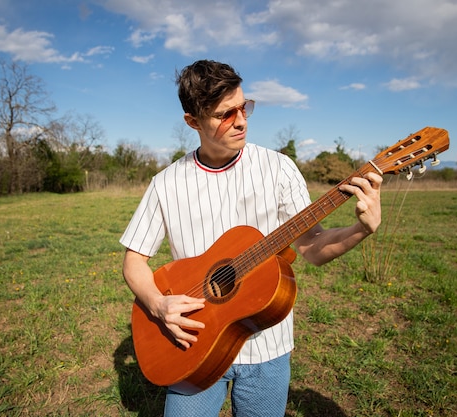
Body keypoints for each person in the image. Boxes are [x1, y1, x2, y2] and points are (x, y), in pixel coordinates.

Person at [120, 59, 382, 417]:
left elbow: (312, 248)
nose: (241, 121)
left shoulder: (279, 168)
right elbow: (134, 260)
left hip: (267, 349)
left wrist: (360, 229)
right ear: (193, 122)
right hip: (192, 344)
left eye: (244, 107)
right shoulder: (165, 183)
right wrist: (156, 303)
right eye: (224, 114)